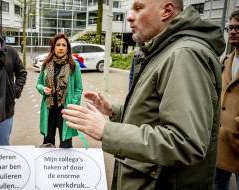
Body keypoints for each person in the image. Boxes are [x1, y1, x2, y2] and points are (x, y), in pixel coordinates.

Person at [62, 0, 225, 189]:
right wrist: (113, 111)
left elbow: (186, 142)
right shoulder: (164, 50)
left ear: (167, 11)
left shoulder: (184, 54)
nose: (129, 16)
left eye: (138, 8)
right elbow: (156, 116)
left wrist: (107, 131)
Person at [37, 33, 83, 148]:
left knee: (66, 144)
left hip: (65, 109)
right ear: (54, 47)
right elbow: (38, 84)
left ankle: (66, 165)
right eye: (58, 45)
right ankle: (48, 165)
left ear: (67, 48)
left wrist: (73, 103)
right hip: (49, 108)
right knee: (48, 142)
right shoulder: (46, 64)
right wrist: (43, 89)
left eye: (64, 45)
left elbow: (78, 88)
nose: (61, 47)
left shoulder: (74, 65)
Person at [215, 10, 239, 190]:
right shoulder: (225, 61)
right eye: (230, 28)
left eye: (237, 28)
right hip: (222, 142)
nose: (232, 32)